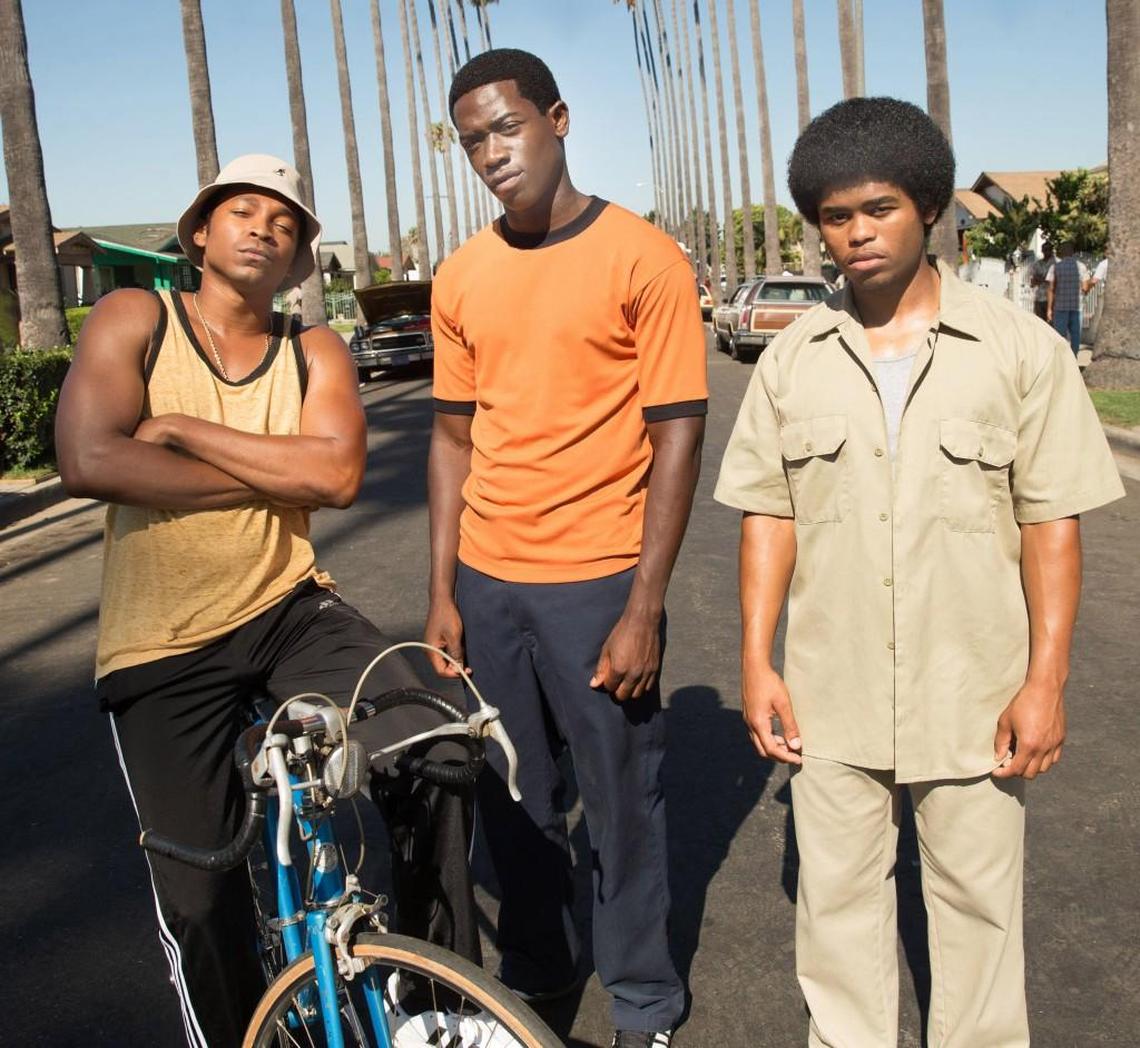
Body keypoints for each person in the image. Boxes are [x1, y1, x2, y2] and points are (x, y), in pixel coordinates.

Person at [715, 98, 1124, 1046]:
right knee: (837, 916)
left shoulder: (1021, 351)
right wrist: (757, 661)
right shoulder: (792, 361)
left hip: (973, 691)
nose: (855, 235)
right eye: (833, 217)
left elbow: (1050, 525)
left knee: (980, 918)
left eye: (878, 209)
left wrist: (1046, 681)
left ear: (930, 206)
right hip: (831, 690)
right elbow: (768, 517)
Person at [55, 155, 482, 1048]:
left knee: (436, 740)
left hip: (288, 607)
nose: (262, 228)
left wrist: (176, 433)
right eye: (241, 211)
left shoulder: (311, 347)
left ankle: (434, 1010)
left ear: (296, 263)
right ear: (201, 234)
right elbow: (90, 458)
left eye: (284, 224)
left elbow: (338, 474)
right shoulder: (135, 316)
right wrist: (268, 478)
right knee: (201, 895)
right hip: (159, 644)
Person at [425, 49, 707, 1048]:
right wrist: (443, 592)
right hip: (488, 582)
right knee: (516, 796)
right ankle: (538, 970)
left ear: (558, 118)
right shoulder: (460, 274)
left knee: (622, 802)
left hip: (598, 581)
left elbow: (678, 429)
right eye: (472, 142)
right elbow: (453, 436)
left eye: (506, 128)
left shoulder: (643, 257)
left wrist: (643, 605)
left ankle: (642, 998)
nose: (491, 154)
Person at [1045, 241, 1089, 354]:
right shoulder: (1081, 267)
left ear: (1062, 252)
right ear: (1073, 252)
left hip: (1060, 307)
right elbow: (1085, 288)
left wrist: (1049, 308)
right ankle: (1073, 359)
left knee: (1059, 336)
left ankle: (1061, 360)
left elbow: (1051, 289)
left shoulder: (1055, 267)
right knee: (1075, 336)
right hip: (1076, 307)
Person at [1028, 240, 1054, 320]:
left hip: (1052, 299)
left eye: (1048, 249)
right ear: (1042, 250)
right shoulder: (1037, 264)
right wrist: (1045, 279)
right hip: (1039, 298)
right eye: (1044, 249)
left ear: (1051, 250)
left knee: (1051, 324)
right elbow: (1032, 282)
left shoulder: (1056, 263)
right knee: (1039, 322)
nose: (1046, 252)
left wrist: (1041, 278)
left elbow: (1053, 281)